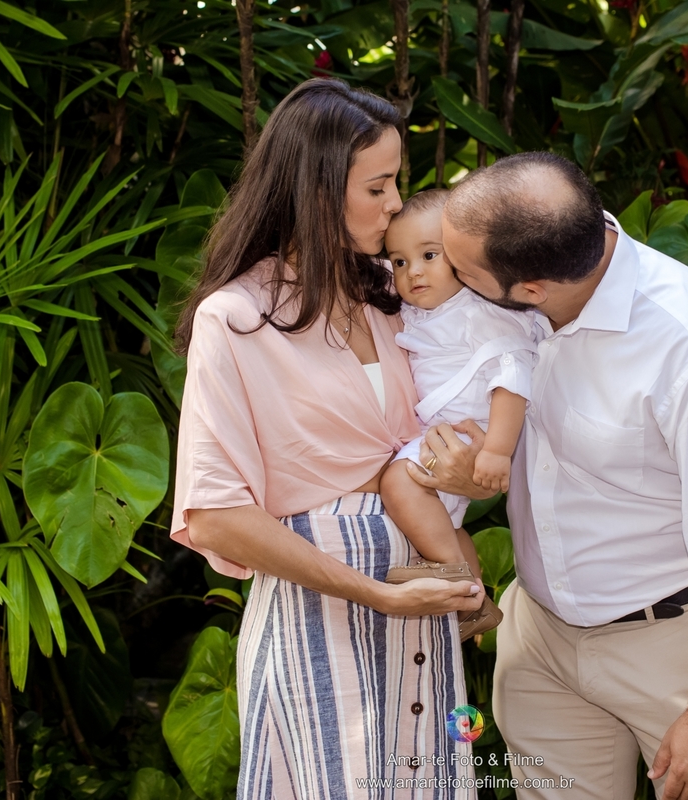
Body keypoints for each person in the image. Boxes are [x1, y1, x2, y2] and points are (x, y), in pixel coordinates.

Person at [406, 152, 688, 800]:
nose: (443, 276)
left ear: (531, 288)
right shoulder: (516, 294)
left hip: (671, 647)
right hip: (539, 639)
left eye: (462, 270)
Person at [169, 78, 481, 799]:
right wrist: (373, 593)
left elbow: (462, 417)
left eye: (396, 182)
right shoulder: (237, 318)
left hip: (423, 609)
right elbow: (214, 512)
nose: (397, 204)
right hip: (322, 616)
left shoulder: (398, 294)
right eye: (378, 187)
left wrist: (464, 476)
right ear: (316, 190)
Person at [379, 189, 537, 640]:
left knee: (398, 482)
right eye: (399, 262)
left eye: (429, 255)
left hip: (475, 433)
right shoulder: (420, 309)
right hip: (445, 433)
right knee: (449, 525)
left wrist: (497, 453)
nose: (413, 272)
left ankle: (459, 588)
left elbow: (512, 377)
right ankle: (476, 601)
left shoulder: (478, 313)